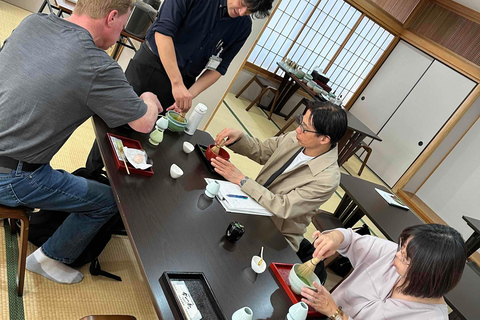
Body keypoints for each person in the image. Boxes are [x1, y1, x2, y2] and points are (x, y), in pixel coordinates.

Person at [0, 0, 161, 284]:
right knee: (110, 201)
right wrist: (149, 98)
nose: (121, 35)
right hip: (12, 176)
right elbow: (144, 122)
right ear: (112, 18)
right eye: (123, 27)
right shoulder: (97, 65)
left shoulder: (32, 23)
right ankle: (50, 258)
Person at [86, 0, 274, 173]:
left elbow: (219, 68)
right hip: (151, 65)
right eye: (242, 3)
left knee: (155, 134)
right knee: (118, 122)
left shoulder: (243, 26)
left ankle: (122, 188)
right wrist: (177, 84)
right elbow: (163, 33)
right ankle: (90, 174)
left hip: (184, 83)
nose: (241, 12)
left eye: (249, 10)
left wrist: (188, 94)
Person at [211, 100, 348, 282]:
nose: (298, 130)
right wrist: (240, 138)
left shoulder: (327, 178)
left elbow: (283, 207)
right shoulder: (298, 137)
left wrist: (242, 180)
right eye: (301, 122)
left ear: (324, 139)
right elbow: (263, 151)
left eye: (305, 128)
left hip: (275, 233)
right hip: (251, 206)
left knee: (230, 267)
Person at [300, 224, 467, 320]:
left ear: (425, 273)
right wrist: (335, 237)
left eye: (405, 257)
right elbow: (351, 239)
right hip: (316, 313)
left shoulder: (429, 317)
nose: (397, 254)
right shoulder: (393, 256)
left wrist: (335, 313)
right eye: (401, 247)